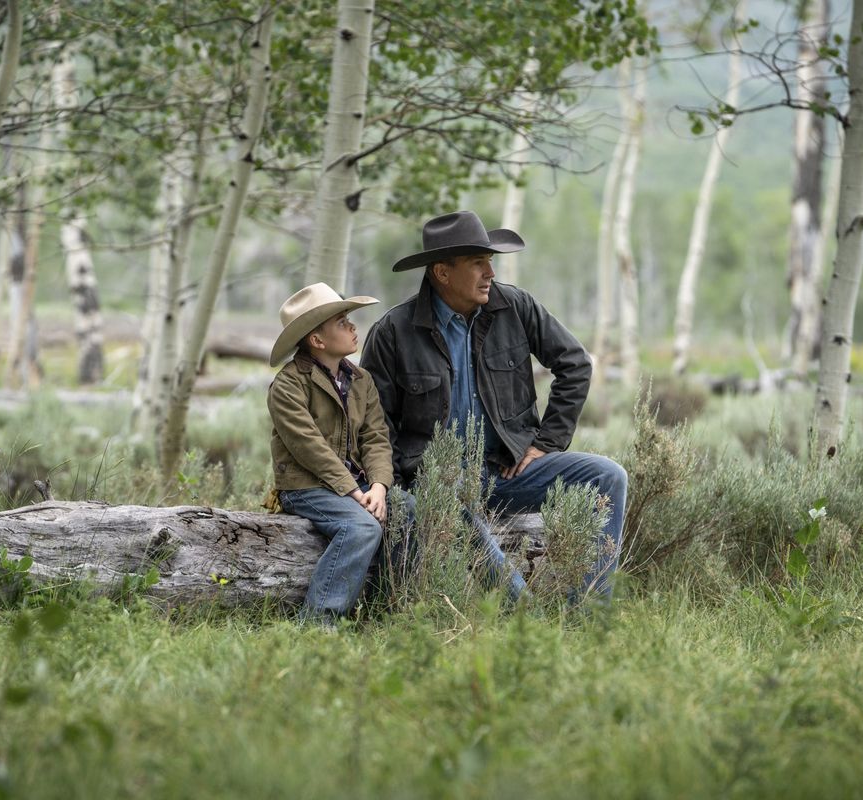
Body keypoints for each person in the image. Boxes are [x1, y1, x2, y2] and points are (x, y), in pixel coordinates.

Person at [360, 210, 628, 602]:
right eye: (478, 263)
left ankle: (588, 611)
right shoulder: (392, 332)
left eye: (490, 261)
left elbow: (575, 364)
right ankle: (525, 615)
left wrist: (546, 443)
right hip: (434, 481)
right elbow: (374, 425)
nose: (490, 272)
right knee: (464, 519)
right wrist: (397, 488)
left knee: (608, 476)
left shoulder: (515, 306)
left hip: (506, 472)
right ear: (442, 272)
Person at [266, 282, 394, 623]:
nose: (352, 327)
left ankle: (384, 607)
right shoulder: (289, 384)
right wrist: (354, 491)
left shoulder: (360, 380)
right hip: (306, 488)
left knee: (407, 511)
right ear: (317, 341)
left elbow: (376, 438)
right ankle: (318, 623)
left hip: (356, 486)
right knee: (362, 528)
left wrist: (379, 487)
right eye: (341, 322)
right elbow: (309, 446)